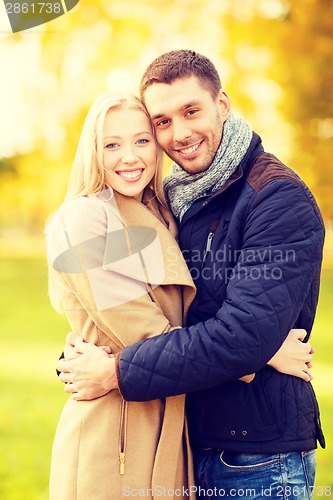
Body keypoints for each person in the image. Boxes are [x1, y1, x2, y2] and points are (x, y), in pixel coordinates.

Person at [57, 50, 325, 499]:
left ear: (222, 105)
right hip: (184, 440)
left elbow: (239, 337)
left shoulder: (276, 198)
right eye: (162, 121)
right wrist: (87, 355)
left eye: (191, 111)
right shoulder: (179, 201)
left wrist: (117, 371)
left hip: (256, 457)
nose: (179, 134)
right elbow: (161, 318)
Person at [46, 92, 199, 499]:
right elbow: (150, 336)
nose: (129, 157)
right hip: (113, 435)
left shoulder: (161, 213)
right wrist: (259, 352)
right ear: (94, 151)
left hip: (166, 426)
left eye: (142, 140)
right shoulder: (84, 220)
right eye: (112, 144)